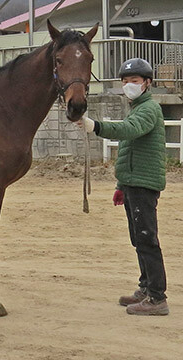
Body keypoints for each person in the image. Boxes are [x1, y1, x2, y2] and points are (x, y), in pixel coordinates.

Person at [78, 58, 169, 316]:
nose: (129, 85)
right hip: (133, 183)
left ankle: (157, 297)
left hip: (143, 184)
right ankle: (146, 288)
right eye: (125, 81)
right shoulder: (138, 107)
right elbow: (129, 148)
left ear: (147, 83)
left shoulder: (148, 109)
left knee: (146, 240)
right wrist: (121, 184)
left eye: (135, 81)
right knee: (138, 239)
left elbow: (128, 131)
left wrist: (95, 126)